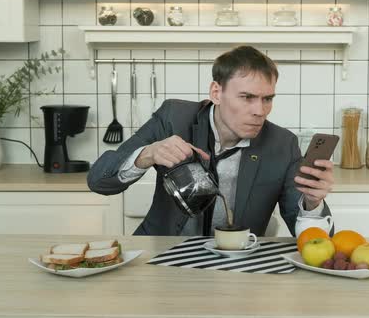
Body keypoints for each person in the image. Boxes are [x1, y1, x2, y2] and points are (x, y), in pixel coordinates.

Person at [87, 45, 335, 237]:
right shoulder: (173, 118)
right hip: (162, 254)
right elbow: (98, 180)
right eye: (247, 97)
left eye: (267, 99)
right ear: (216, 92)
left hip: (238, 264)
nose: (260, 111)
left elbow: (311, 240)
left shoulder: (282, 144)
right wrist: (147, 154)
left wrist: (313, 204)